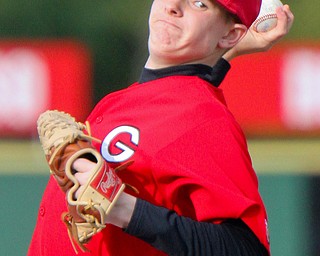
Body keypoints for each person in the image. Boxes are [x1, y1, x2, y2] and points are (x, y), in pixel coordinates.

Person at [28, 1, 294, 255]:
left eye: (199, 3)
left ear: (232, 33)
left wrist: (126, 209)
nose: (172, 6)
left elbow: (245, 249)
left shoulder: (206, 118)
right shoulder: (139, 99)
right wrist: (225, 47)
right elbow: (183, 91)